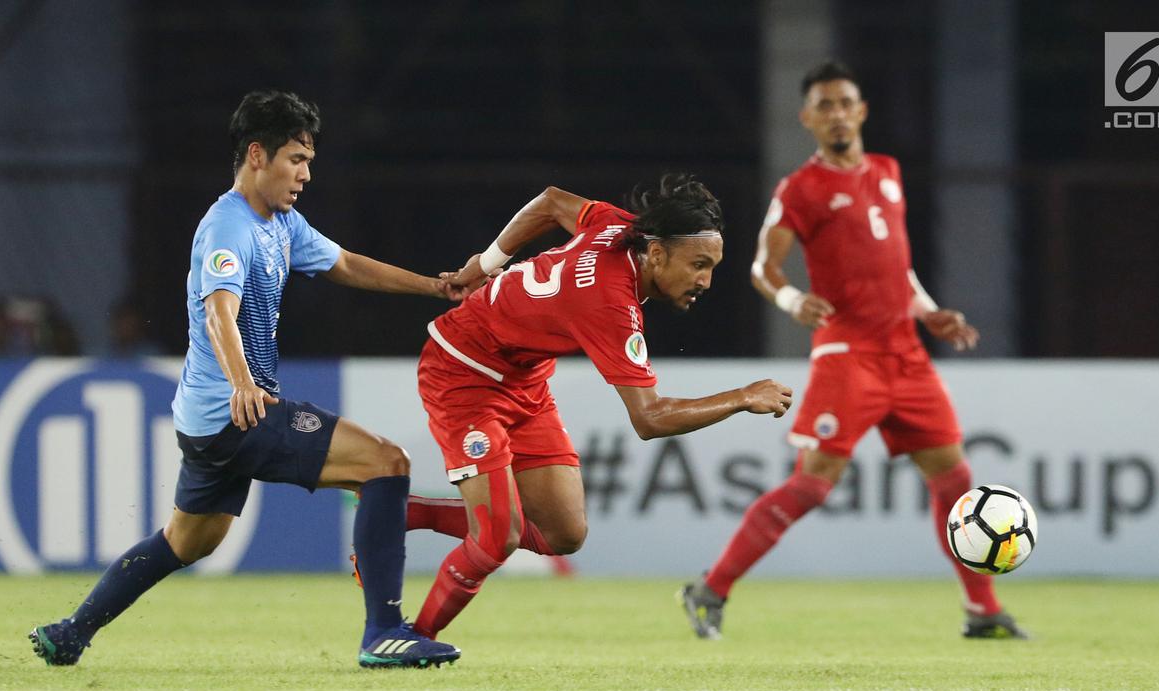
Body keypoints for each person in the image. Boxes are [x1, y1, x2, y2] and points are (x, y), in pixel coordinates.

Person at [30, 90, 464, 669]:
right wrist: (242, 382)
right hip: (237, 411)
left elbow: (348, 264)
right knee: (386, 463)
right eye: (296, 160)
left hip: (207, 422)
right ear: (257, 155)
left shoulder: (282, 223)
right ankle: (385, 630)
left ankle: (70, 632)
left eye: (309, 161)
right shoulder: (227, 227)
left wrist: (433, 288)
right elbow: (218, 312)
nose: (305, 175)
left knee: (184, 543)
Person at [678, 61, 1027, 641]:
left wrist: (927, 310)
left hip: (907, 356)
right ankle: (710, 589)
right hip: (849, 355)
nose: (837, 113)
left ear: (861, 111)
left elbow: (898, 266)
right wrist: (792, 299)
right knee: (813, 486)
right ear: (808, 118)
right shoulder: (801, 188)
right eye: (825, 105)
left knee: (954, 481)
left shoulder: (888, 172)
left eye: (845, 102)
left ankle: (983, 611)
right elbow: (763, 266)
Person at [403, 174, 795, 643]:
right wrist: (742, 396)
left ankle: (409, 512)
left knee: (564, 533)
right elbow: (649, 419)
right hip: (462, 372)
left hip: (524, 378)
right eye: (697, 265)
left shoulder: (618, 225)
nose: (705, 281)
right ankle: (410, 638)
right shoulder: (611, 303)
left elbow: (550, 201)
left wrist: (483, 265)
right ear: (657, 255)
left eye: (711, 267)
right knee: (497, 537)